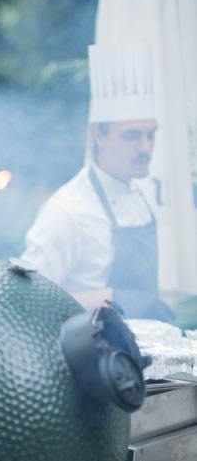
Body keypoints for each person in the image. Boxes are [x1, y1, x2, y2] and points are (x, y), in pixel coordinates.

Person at [22, 42, 173, 321]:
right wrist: (105, 299)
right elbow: (29, 300)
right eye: (131, 136)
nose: (145, 148)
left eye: (151, 134)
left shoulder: (144, 193)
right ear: (99, 135)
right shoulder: (67, 211)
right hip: (93, 356)